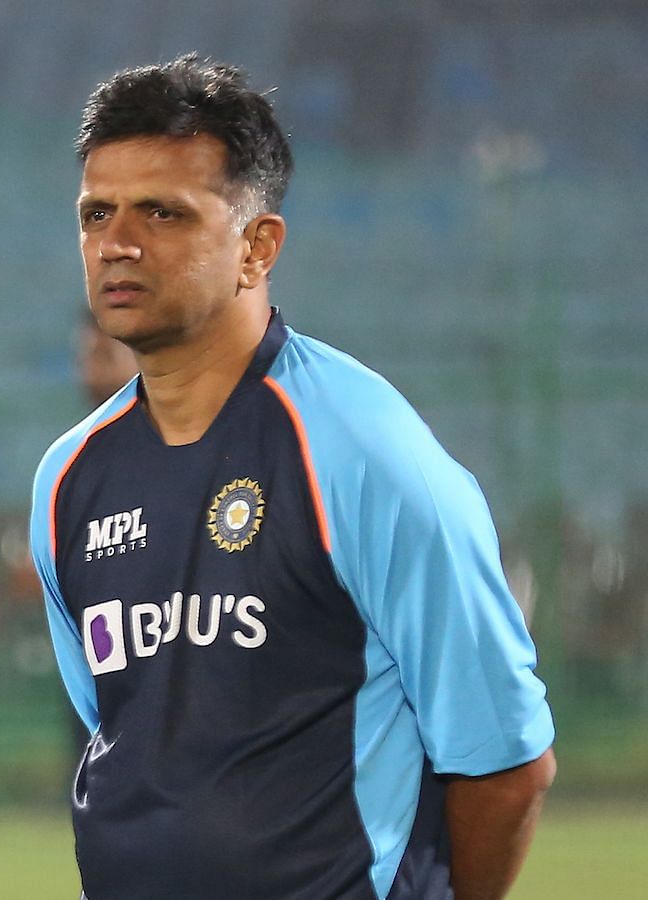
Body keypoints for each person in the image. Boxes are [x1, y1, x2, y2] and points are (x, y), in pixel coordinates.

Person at [28, 55, 556, 900]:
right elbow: (119, 732)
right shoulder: (68, 478)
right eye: (97, 213)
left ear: (257, 246)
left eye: (163, 212)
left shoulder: (365, 452)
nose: (118, 243)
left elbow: (505, 763)